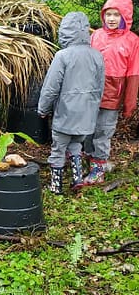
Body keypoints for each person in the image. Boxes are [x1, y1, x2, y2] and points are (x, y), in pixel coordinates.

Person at [37, 12, 105, 194]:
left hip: (65, 114)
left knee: (58, 149)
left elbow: (51, 87)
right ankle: (77, 178)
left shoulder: (62, 56)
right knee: (76, 144)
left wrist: (43, 109)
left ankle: (56, 185)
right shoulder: (97, 56)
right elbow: (100, 87)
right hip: (86, 115)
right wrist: (93, 109)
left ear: (65, 31)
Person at [83, 0, 139, 185]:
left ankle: (98, 169)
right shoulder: (96, 35)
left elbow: (133, 73)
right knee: (87, 129)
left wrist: (129, 103)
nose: (112, 19)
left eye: (117, 14)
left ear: (126, 17)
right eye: (108, 14)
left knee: (103, 131)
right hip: (91, 92)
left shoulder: (132, 41)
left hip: (113, 94)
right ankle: (90, 161)